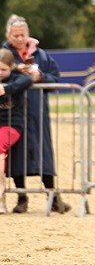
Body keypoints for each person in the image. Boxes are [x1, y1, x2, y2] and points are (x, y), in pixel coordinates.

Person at [2, 15, 66, 213]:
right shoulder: (4, 54)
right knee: (17, 156)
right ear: (8, 35)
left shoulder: (42, 55)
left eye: (22, 35)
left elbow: (56, 79)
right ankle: (22, 198)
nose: (19, 39)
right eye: (15, 35)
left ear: (28, 34)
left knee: (44, 153)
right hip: (13, 113)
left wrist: (40, 77)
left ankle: (53, 196)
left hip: (38, 112)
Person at [0, 48, 32, 214]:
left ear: (11, 67)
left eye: (3, 70)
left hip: (12, 125)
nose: (0, 73)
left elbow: (27, 80)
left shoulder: (17, 78)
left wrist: (7, 89)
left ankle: (1, 199)